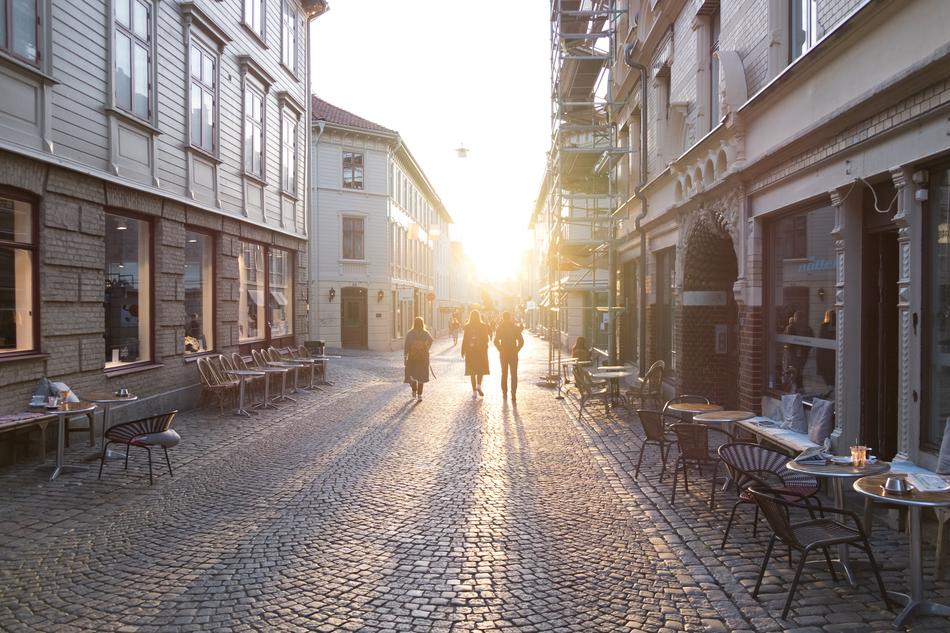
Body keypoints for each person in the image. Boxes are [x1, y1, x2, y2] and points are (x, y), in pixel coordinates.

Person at [494, 311, 525, 401]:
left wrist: (500, 349)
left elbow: (496, 341)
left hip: (503, 353)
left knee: (504, 373)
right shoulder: (515, 328)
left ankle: (504, 392)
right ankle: (513, 392)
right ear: (510, 317)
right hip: (513, 353)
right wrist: (517, 349)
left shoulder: (500, 328)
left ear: (503, 318)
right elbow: (521, 341)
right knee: (514, 373)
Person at [462, 309, 491, 398]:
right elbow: (486, 339)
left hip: (470, 352)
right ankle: (478, 385)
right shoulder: (483, 326)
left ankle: (474, 391)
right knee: (480, 369)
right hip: (480, 351)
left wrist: (463, 350)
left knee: (472, 372)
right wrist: (484, 346)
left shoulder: (467, 326)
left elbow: (465, 339)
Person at [783, 310, 814, 392]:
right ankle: (799, 388)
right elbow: (811, 340)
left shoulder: (792, 327)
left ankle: (795, 389)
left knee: (794, 372)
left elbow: (787, 340)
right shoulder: (807, 328)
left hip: (794, 354)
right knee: (798, 371)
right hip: (801, 354)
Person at [404, 317, 433, 401]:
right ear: (422, 323)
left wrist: (405, 356)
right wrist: (426, 348)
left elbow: (406, 346)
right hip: (423, 358)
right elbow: (431, 340)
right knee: (421, 377)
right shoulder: (425, 333)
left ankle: (414, 391)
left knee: (412, 375)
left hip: (412, 358)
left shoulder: (410, 333)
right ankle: (420, 395)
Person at [817, 309, 836, 388]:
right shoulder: (824, 326)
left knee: (832, 369)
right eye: (831, 316)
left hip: (832, 352)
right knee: (826, 369)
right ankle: (830, 385)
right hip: (826, 352)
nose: (832, 317)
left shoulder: (837, 326)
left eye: (833, 316)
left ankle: (831, 385)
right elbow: (822, 338)